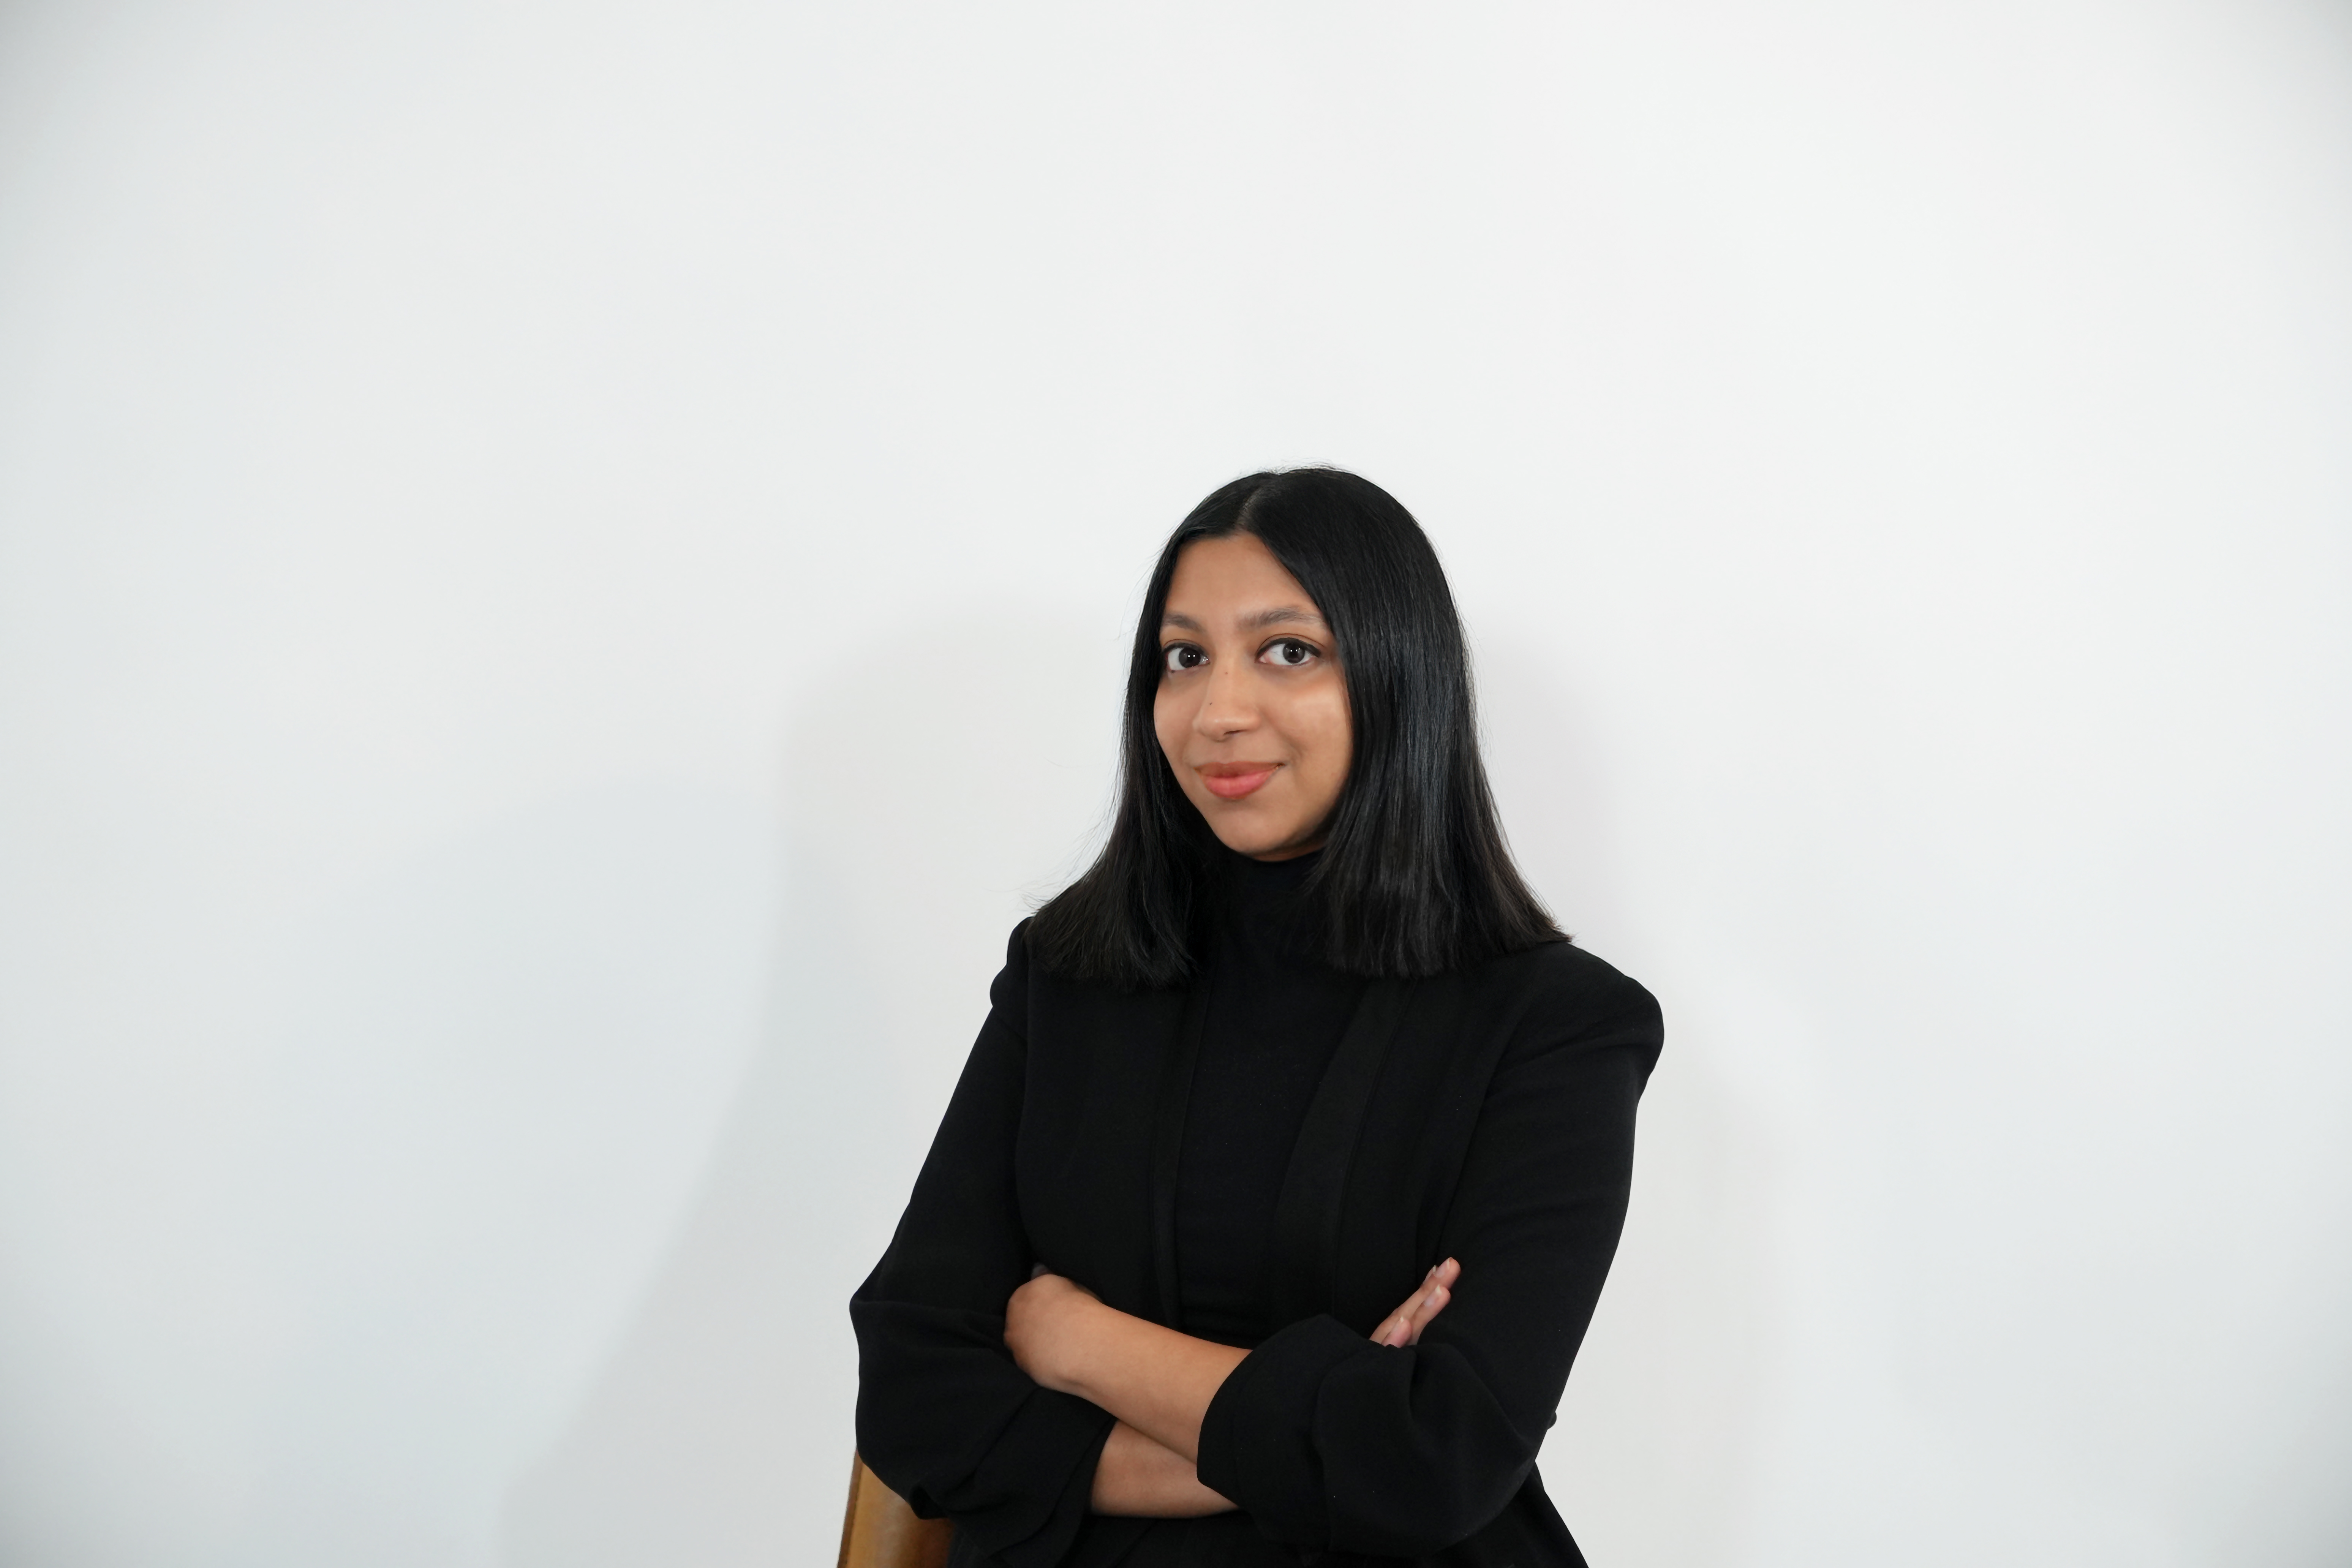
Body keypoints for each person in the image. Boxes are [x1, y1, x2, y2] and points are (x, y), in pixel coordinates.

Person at [850, 468, 1663, 1567]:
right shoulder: (1068, 978)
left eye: (1289, 651)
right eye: (1185, 657)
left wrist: (1074, 1340)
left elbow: (1437, 1457)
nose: (1220, 711)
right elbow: (913, 1391)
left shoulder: (1559, 1027)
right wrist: (1320, 1431)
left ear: (1396, 677)